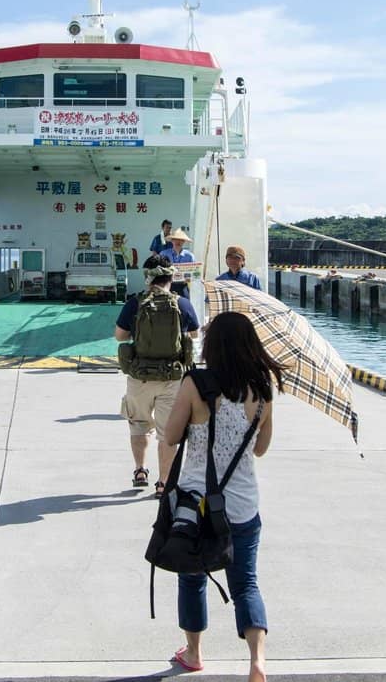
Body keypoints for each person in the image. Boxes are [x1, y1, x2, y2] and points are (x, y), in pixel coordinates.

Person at [164, 311, 285, 682]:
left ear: (212, 345)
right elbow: (261, 449)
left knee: (192, 577)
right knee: (246, 581)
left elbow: (170, 436)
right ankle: (256, 661)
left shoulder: (195, 383)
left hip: (197, 504)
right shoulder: (262, 388)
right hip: (244, 504)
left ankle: (195, 653)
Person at [115, 254, 200, 498]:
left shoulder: (135, 303)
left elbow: (120, 336)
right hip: (172, 378)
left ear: (147, 278)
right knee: (167, 432)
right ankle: (163, 483)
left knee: (139, 424)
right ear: (171, 276)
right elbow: (193, 335)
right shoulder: (181, 303)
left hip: (140, 377)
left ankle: (140, 471)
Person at [163, 228, 196, 299]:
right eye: (176, 239)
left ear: (184, 241)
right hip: (167, 286)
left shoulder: (190, 256)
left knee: (184, 306)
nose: (178, 242)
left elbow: (194, 274)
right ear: (172, 240)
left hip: (183, 287)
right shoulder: (163, 254)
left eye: (181, 240)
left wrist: (189, 278)